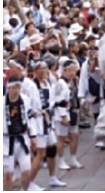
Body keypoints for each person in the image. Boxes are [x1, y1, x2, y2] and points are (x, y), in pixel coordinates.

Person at [29, 61, 66, 190]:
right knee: (40, 153)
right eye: (40, 69)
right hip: (38, 122)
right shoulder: (32, 86)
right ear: (35, 71)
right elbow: (30, 104)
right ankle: (29, 183)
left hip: (48, 121)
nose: (43, 71)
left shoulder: (48, 83)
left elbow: (51, 100)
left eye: (45, 68)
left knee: (52, 150)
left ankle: (52, 177)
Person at [3, 75, 37, 191]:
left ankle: (24, 190)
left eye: (18, 87)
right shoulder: (2, 103)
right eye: (14, 87)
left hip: (22, 138)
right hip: (6, 140)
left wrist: (33, 136)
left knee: (26, 170)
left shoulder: (25, 100)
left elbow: (31, 117)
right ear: (8, 88)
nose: (16, 90)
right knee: (9, 173)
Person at [54, 59, 83, 170]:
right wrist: (63, 116)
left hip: (73, 111)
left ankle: (73, 158)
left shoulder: (74, 81)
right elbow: (59, 100)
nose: (72, 73)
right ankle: (61, 160)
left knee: (74, 135)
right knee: (61, 138)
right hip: (63, 113)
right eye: (70, 70)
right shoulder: (60, 83)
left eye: (74, 70)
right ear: (64, 70)